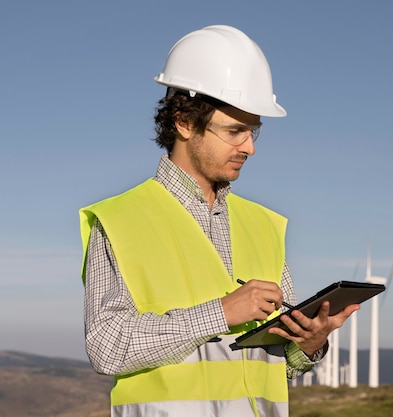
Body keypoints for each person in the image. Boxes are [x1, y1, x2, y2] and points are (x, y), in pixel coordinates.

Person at [79, 25, 359, 417]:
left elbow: (277, 363)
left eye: (254, 130)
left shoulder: (264, 225)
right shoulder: (120, 220)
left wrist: (308, 345)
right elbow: (107, 348)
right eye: (235, 131)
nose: (251, 147)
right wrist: (221, 313)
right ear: (184, 122)